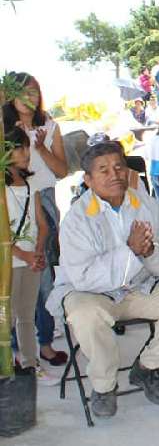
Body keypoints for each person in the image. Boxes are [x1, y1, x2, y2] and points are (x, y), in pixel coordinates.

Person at [45, 141, 159, 418]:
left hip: (139, 287)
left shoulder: (146, 204)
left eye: (119, 166)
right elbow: (84, 278)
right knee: (85, 314)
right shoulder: (76, 219)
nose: (114, 174)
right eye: (103, 170)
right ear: (88, 180)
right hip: (92, 292)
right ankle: (104, 386)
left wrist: (150, 252)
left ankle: (150, 367)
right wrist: (130, 251)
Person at [2, 72, 68, 369]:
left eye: (35, 92)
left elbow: (63, 170)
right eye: (22, 92)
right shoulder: (4, 128)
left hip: (42, 204)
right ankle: (18, 351)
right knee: (13, 281)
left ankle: (44, 344)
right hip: (10, 205)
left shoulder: (49, 126)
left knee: (43, 278)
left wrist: (40, 147)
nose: (30, 98)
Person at [6, 128, 58, 385]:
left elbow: (43, 224)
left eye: (27, 148)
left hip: (31, 260)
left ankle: (30, 363)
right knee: (8, 317)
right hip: (9, 262)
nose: (26, 154)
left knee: (27, 315)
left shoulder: (31, 183)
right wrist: (23, 254)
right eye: (20, 148)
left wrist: (37, 253)